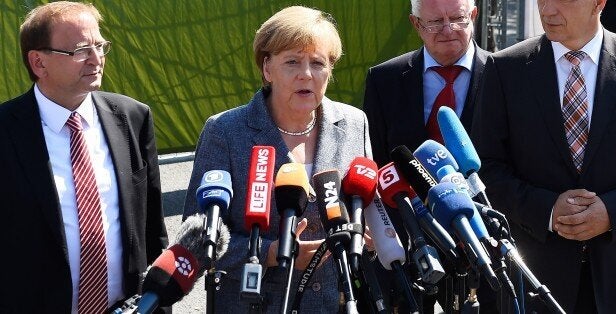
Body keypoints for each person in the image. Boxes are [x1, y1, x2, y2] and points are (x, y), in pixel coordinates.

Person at [182, 6, 372, 313]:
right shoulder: (226, 131)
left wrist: (369, 238)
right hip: (258, 303)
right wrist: (270, 252)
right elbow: (196, 235)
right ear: (267, 68)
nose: (306, 74)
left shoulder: (353, 123)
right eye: (292, 61)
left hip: (337, 302)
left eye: (318, 63)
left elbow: (365, 207)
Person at [0, 2, 168, 313]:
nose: (96, 59)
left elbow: (151, 229)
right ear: (38, 62)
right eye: (80, 50)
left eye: (100, 45)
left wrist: (157, 303)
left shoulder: (133, 117)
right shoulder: (6, 130)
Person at [472, 0, 616, 313]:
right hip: (534, 282)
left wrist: (614, 211)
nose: (547, 11)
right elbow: (484, 169)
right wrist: (546, 210)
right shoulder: (506, 69)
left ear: (599, 3)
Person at [362, 1, 494, 313]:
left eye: (458, 18)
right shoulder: (384, 80)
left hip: (482, 239)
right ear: (416, 24)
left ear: (473, 16)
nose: (448, 29)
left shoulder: (505, 75)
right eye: (435, 22)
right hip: (410, 244)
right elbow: (375, 161)